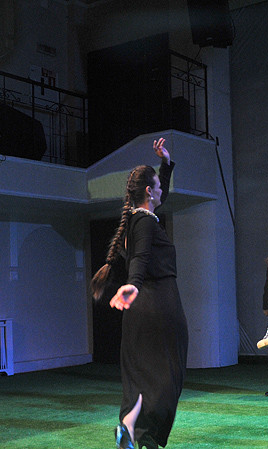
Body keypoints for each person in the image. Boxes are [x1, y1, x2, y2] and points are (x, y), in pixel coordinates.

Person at [93, 138, 188, 449]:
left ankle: (130, 427)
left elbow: (161, 196)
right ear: (149, 191)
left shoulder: (134, 221)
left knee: (145, 375)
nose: (162, 191)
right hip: (157, 303)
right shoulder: (144, 223)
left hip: (141, 308)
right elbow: (142, 257)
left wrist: (165, 164)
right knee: (167, 376)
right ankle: (142, 433)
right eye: (158, 186)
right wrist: (132, 283)